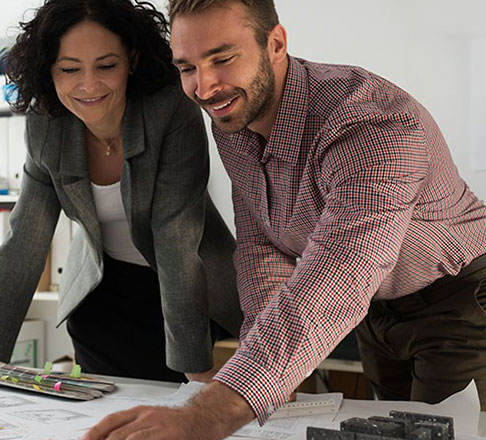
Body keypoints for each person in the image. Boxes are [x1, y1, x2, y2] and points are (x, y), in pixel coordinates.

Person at [84, 0, 486, 438]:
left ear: (275, 43)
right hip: (376, 313)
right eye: (188, 68)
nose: (205, 86)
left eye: (222, 58)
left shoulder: (371, 122)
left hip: (460, 302)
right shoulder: (235, 118)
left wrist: (208, 413)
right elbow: (262, 245)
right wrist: (277, 381)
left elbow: (339, 276)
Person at [0, 0, 243, 383]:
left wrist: (196, 373)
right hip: (101, 293)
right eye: (69, 69)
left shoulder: (170, 107)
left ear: (131, 60)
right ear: (49, 69)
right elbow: (24, 244)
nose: (88, 85)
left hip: (187, 290)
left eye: (106, 66)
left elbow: (175, 238)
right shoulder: (46, 124)